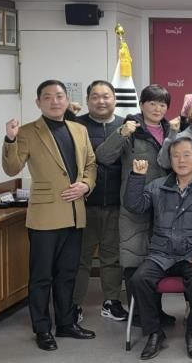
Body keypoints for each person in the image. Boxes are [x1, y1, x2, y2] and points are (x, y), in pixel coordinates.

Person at [2, 80, 97, 351]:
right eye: (48, 97)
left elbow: (90, 164)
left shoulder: (79, 129)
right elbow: (11, 168)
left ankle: (66, 323)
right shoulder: (27, 132)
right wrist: (10, 139)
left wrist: (86, 184)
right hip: (45, 215)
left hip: (75, 213)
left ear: (67, 100)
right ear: (38, 102)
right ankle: (42, 328)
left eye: (59, 96)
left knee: (67, 273)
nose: (55, 101)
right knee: (41, 276)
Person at [126, 137, 192, 360]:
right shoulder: (158, 186)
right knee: (139, 279)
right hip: (161, 252)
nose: (181, 160)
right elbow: (134, 205)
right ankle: (154, 333)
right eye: (176, 155)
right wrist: (137, 178)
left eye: (187, 155)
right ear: (170, 160)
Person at [95, 84, 174, 326]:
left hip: (163, 205)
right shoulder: (130, 129)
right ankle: (138, 314)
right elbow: (103, 156)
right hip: (133, 203)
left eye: (162, 104)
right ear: (142, 105)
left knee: (157, 259)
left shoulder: (171, 131)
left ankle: (156, 311)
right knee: (134, 258)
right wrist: (122, 133)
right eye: (152, 103)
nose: (157, 108)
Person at [73, 80, 128, 323]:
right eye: (95, 96)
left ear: (114, 99)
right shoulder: (76, 126)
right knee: (80, 258)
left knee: (112, 257)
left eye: (106, 96)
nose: (101, 101)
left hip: (116, 204)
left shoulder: (125, 126)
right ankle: (73, 305)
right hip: (82, 205)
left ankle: (112, 301)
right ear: (87, 100)